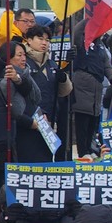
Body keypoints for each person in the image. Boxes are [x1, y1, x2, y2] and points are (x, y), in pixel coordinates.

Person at [0, 26, 35, 198]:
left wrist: (18, 79)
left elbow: (28, 93)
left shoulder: (4, 68)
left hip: (6, 140)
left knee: (1, 193)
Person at [24, 25, 72, 161]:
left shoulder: (51, 64)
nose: (44, 43)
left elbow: (64, 91)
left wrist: (63, 79)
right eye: (40, 39)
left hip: (49, 122)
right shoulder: (24, 62)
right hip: (30, 121)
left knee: (46, 159)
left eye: (47, 40)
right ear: (29, 40)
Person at [71, 20, 112, 158]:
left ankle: (90, 148)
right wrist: (94, 16)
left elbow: (106, 65)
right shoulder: (81, 41)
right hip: (82, 86)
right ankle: (83, 151)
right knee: (82, 122)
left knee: (93, 120)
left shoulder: (100, 45)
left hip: (97, 88)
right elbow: (77, 30)